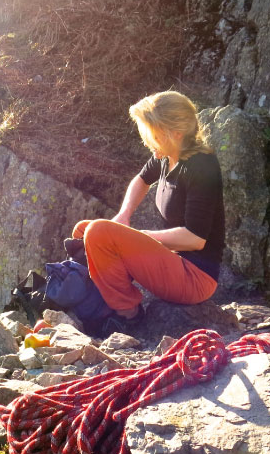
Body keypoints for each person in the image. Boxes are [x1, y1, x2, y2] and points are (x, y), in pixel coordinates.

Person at [72, 90, 225, 336]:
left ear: (175, 134)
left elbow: (194, 239)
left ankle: (127, 315)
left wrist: (139, 235)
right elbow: (141, 180)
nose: (146, 141)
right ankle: (108, 300)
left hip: (195, 277)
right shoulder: (167, 157)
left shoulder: (202, 167)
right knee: (85, 229)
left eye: (152, 134)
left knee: (99, 232)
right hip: (172, 260)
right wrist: (124, 215)